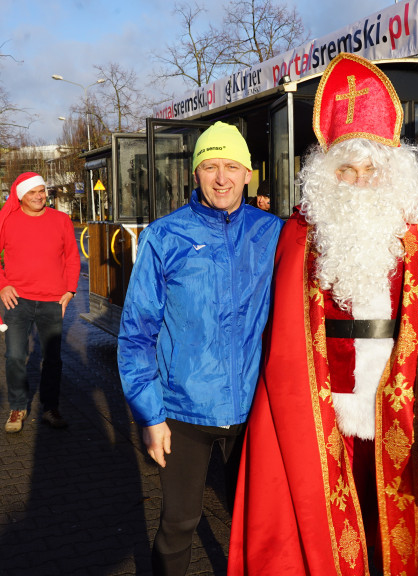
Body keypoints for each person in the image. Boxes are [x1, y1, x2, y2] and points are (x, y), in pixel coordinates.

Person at [228, 53, 418, 576]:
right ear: (327, 175)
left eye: (371, 170)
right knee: (330, 514)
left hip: (403, 403)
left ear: (393, 171)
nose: (359, 181)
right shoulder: (301, 231)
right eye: (347, 170)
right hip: (322, 404)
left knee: (395, 520)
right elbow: (287, 329)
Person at [118, 121, 282, 576]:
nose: (222, 177)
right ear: (195, 174)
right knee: (179, 520)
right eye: (210, 166)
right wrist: (150, 415)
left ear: (250, 173)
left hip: (254, 411)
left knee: (256, 525)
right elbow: (136, 334)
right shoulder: (164, 237)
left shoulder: (274, 234)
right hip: (183, 411)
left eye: (232, 166)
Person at [0, 172, 80, 433]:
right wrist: (2, 284)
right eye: (32, 192)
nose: (39, 196)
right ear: (20, 197)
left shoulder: (61, 220)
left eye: (42, 190)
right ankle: (17, 407)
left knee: (52, 359)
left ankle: (50, 408)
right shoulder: (8, 222)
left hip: (52, 301)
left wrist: (70, 290)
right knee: (15, 355)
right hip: (19, 301)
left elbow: (72, 256)